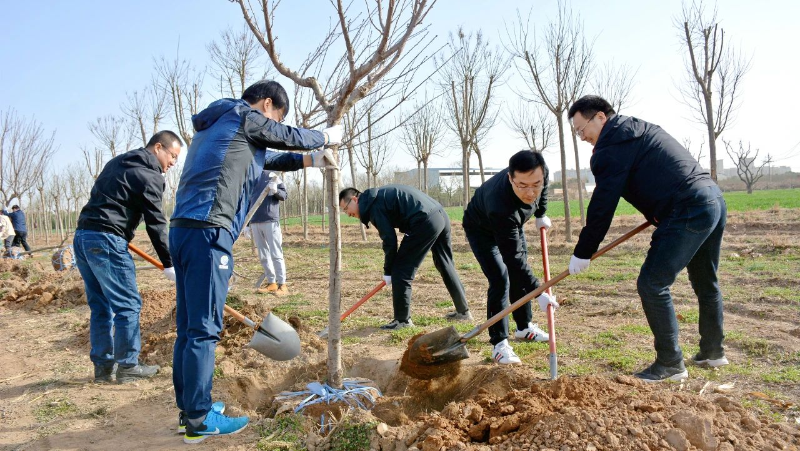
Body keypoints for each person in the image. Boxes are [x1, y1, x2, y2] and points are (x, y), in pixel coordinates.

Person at [169, 79, 339, 444]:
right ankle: (198, 421)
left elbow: (270, 157)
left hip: (184, 229)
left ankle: (190, 411)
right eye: (275, 116)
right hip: (209, 232)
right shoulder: (243, 114)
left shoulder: (222, 126)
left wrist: (309, 160)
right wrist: (323, 136)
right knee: (203, 329)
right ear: (266, 104)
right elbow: (283, 135)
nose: (273, 124)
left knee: (189, 327)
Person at [567, 95, 728, 383]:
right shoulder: (641, 128)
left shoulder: (609, 148)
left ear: (601, 117)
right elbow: (659, 172)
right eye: (577, 133)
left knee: (652, 284)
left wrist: (583, 251)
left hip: (688, 206)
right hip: (712, 198)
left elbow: (603, 203)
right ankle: (712, 352)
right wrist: (657, 210)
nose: (582, 137)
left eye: (582, 129)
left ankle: (670, 363)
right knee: (706, 281)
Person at [73, 131, 183, 385]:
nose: (173, 163)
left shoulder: (118, 162)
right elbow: (156, 223)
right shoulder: (150, 176)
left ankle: (103, 368)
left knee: (101, 306)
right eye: (173, 156)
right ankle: (128, 366)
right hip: (107, 240)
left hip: (83, 237)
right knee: (129, 305)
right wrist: (169, 263)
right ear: (158, 148)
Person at [462, 150, 558, 364]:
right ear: (510, 178)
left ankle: (524, 327)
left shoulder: (540, 173)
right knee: (500, 277)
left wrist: (541, 213)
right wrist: (538, 291)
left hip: (513, 225)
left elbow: (542, 192)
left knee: (518, 274)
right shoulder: (500, 205)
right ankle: (499, 344)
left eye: (536, 184)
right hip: (482, 230)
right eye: (522, 186)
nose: (530, 192)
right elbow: (513, 258)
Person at [338, 185, 473, 330]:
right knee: (444, 263)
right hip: (440, 215)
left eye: (346, 209)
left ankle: (402, 321)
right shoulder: (376, 197)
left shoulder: (373, 205)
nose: (348, 214)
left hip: (423, 220)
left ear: (354, 199)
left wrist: (389, 271)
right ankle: (463, 311)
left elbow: (389, 240)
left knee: (401, 271)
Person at [250, 170, 289, 295]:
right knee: (263, 254)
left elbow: (284, 196)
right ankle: (271, 282)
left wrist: (275, 191)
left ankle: (282, 284)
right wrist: (246, 223)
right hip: (255, 221)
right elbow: (246, 200)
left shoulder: (273, 175)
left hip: (270, 220)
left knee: (276, 253)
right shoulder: (250, 176)